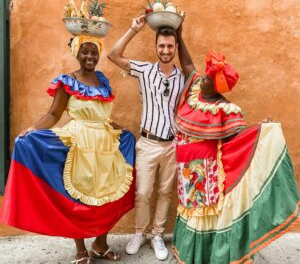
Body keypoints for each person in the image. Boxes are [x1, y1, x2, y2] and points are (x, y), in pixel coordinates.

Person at [0, 35, 136, 263]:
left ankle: (100, 245)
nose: (90, 56)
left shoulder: (103, 82)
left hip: (105, 146)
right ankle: (81, 249)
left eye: (94, 52)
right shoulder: (67, 82)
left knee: (105, 196)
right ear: (76, 53)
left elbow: (102, 117)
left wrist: (122, 130)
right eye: (85, 52)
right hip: (79, 144)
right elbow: (54, 114)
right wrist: (32, 129)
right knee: (77, 199)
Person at [172, 31, 300, 264]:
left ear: (218, 86)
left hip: (206, 172)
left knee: (204, 213)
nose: (205, 79)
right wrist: (179, 36)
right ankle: (191, 254)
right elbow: (187, 63)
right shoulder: (195, 88)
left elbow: (241, 138)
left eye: (210, 78)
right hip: (186, 168)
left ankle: (207, 256)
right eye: (207, 75)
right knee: (189, 208)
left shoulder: (225, 109)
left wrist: (264, 130)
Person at [108, 15, 185, 260]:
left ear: (175, 48)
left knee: (165, 193)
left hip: (172, 144)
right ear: (155, 47)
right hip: (148, 142)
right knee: (142, 192)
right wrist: (132, 30)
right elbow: (114, 55)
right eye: (161, 46)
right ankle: (140, 232)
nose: (165, 50)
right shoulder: (144, 70)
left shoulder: (182, 77)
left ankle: (157, 235)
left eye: (170, 46)